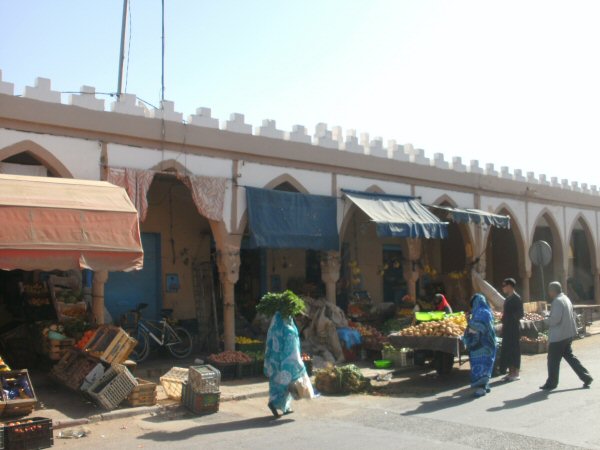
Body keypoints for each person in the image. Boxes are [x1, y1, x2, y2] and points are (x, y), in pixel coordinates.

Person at [540, 282, 593, 391]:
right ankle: (586, 377)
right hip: (567, 334)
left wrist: (545, 319)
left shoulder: (558, 301)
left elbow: (555, 319)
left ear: (553, 290)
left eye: (549, 290)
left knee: (553, 360)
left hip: (559, 336)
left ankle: (552, 382)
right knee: (570, 357)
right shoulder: (565, 298)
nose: (549, 293)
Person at [264, 311, 308, 417]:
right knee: (285, 383)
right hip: (285, 360)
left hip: (275, 359)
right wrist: (297, 361)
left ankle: (285, 407)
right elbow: (292, 345)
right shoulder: (288, 327)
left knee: (277, 382)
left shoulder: (275, 324)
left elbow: (270, 342)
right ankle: (274, 404)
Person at [464, 294, 497, 397]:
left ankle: (481, 388)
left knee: (481, 365)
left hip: (482, 345)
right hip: (488, 344)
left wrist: (468, 321)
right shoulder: (487, 311)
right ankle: (485, 385)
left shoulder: (481, 313)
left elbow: (477, 328)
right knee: (486, 365)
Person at [499, 278, 524, 381]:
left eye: (504, 285)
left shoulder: (516, 298)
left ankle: (516, 373)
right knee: (507, 350)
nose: (503, 288)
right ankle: (510, 372)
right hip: (507, 328)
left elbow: (520, 313)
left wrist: (510, 318)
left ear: (510, 286)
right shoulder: (508, 298)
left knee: (514, 350)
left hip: (513, 328)